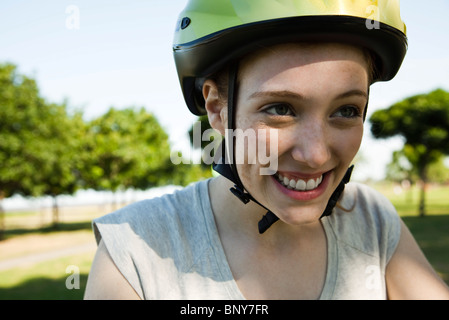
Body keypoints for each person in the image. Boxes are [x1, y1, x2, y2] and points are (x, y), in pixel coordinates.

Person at [84, 0, 449, 300]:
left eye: (346, 111)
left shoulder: (371, 220)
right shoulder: (135, 248)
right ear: (216, 107)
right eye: (280, 109)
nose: (316, 155)